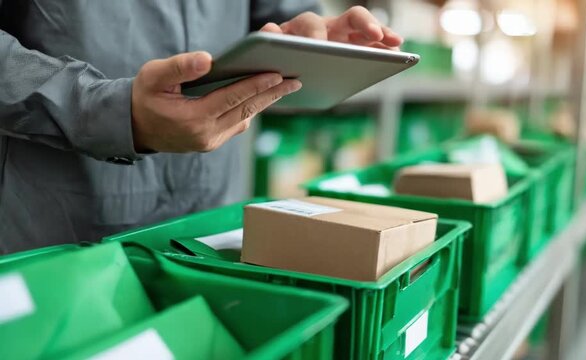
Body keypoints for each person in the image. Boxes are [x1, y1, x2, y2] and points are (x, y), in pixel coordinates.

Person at [0, 1, 403, 254]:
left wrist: (308, 41)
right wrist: (104, 109)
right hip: (59, 224)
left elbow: (272, 16)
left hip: (211, 215)